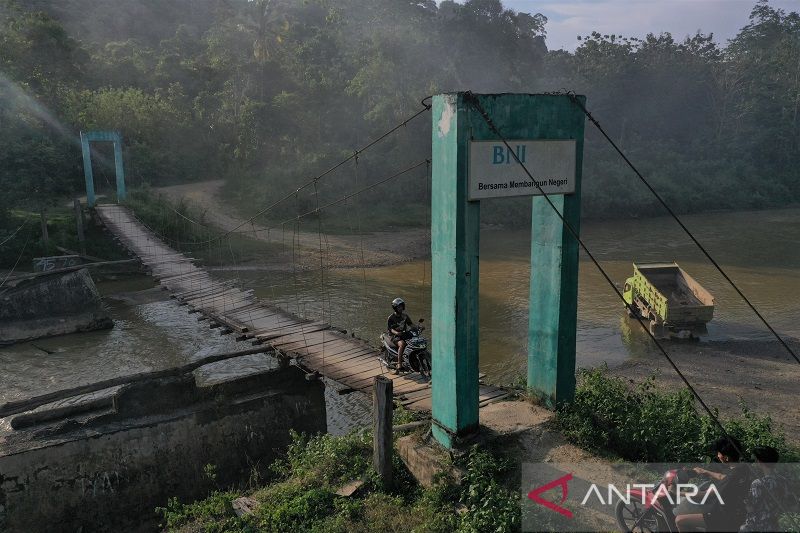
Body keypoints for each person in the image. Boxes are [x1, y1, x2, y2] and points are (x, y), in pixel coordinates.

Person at [675, 436, 750, 532]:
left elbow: (704, 495)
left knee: (679, 520)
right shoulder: (744, 469)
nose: (718, 456)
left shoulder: (730, 479)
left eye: (719, 453)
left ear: (726, 457)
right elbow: (722, 476)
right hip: (738, 513)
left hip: (722, 518)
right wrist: (705, 471)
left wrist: (677, 493)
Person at [740, 446, 792, 532]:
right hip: (776, 526)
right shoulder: (783, 481)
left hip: (759, 526)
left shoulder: (757, 483)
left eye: (756, 460)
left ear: (760, 462)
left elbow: (751, 508)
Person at [387, 297, 413, 374]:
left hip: (403, 334)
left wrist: (418, 327)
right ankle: (399, 363)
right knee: (402, 344)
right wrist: (397, 333)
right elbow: (390, 329)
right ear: (395, 308)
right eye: (399, 307)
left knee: (414, 341)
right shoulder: (391, 317)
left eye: (401, 306)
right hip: (394, 336)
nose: (400, 308)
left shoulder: (405, 316)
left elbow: (411, 324)